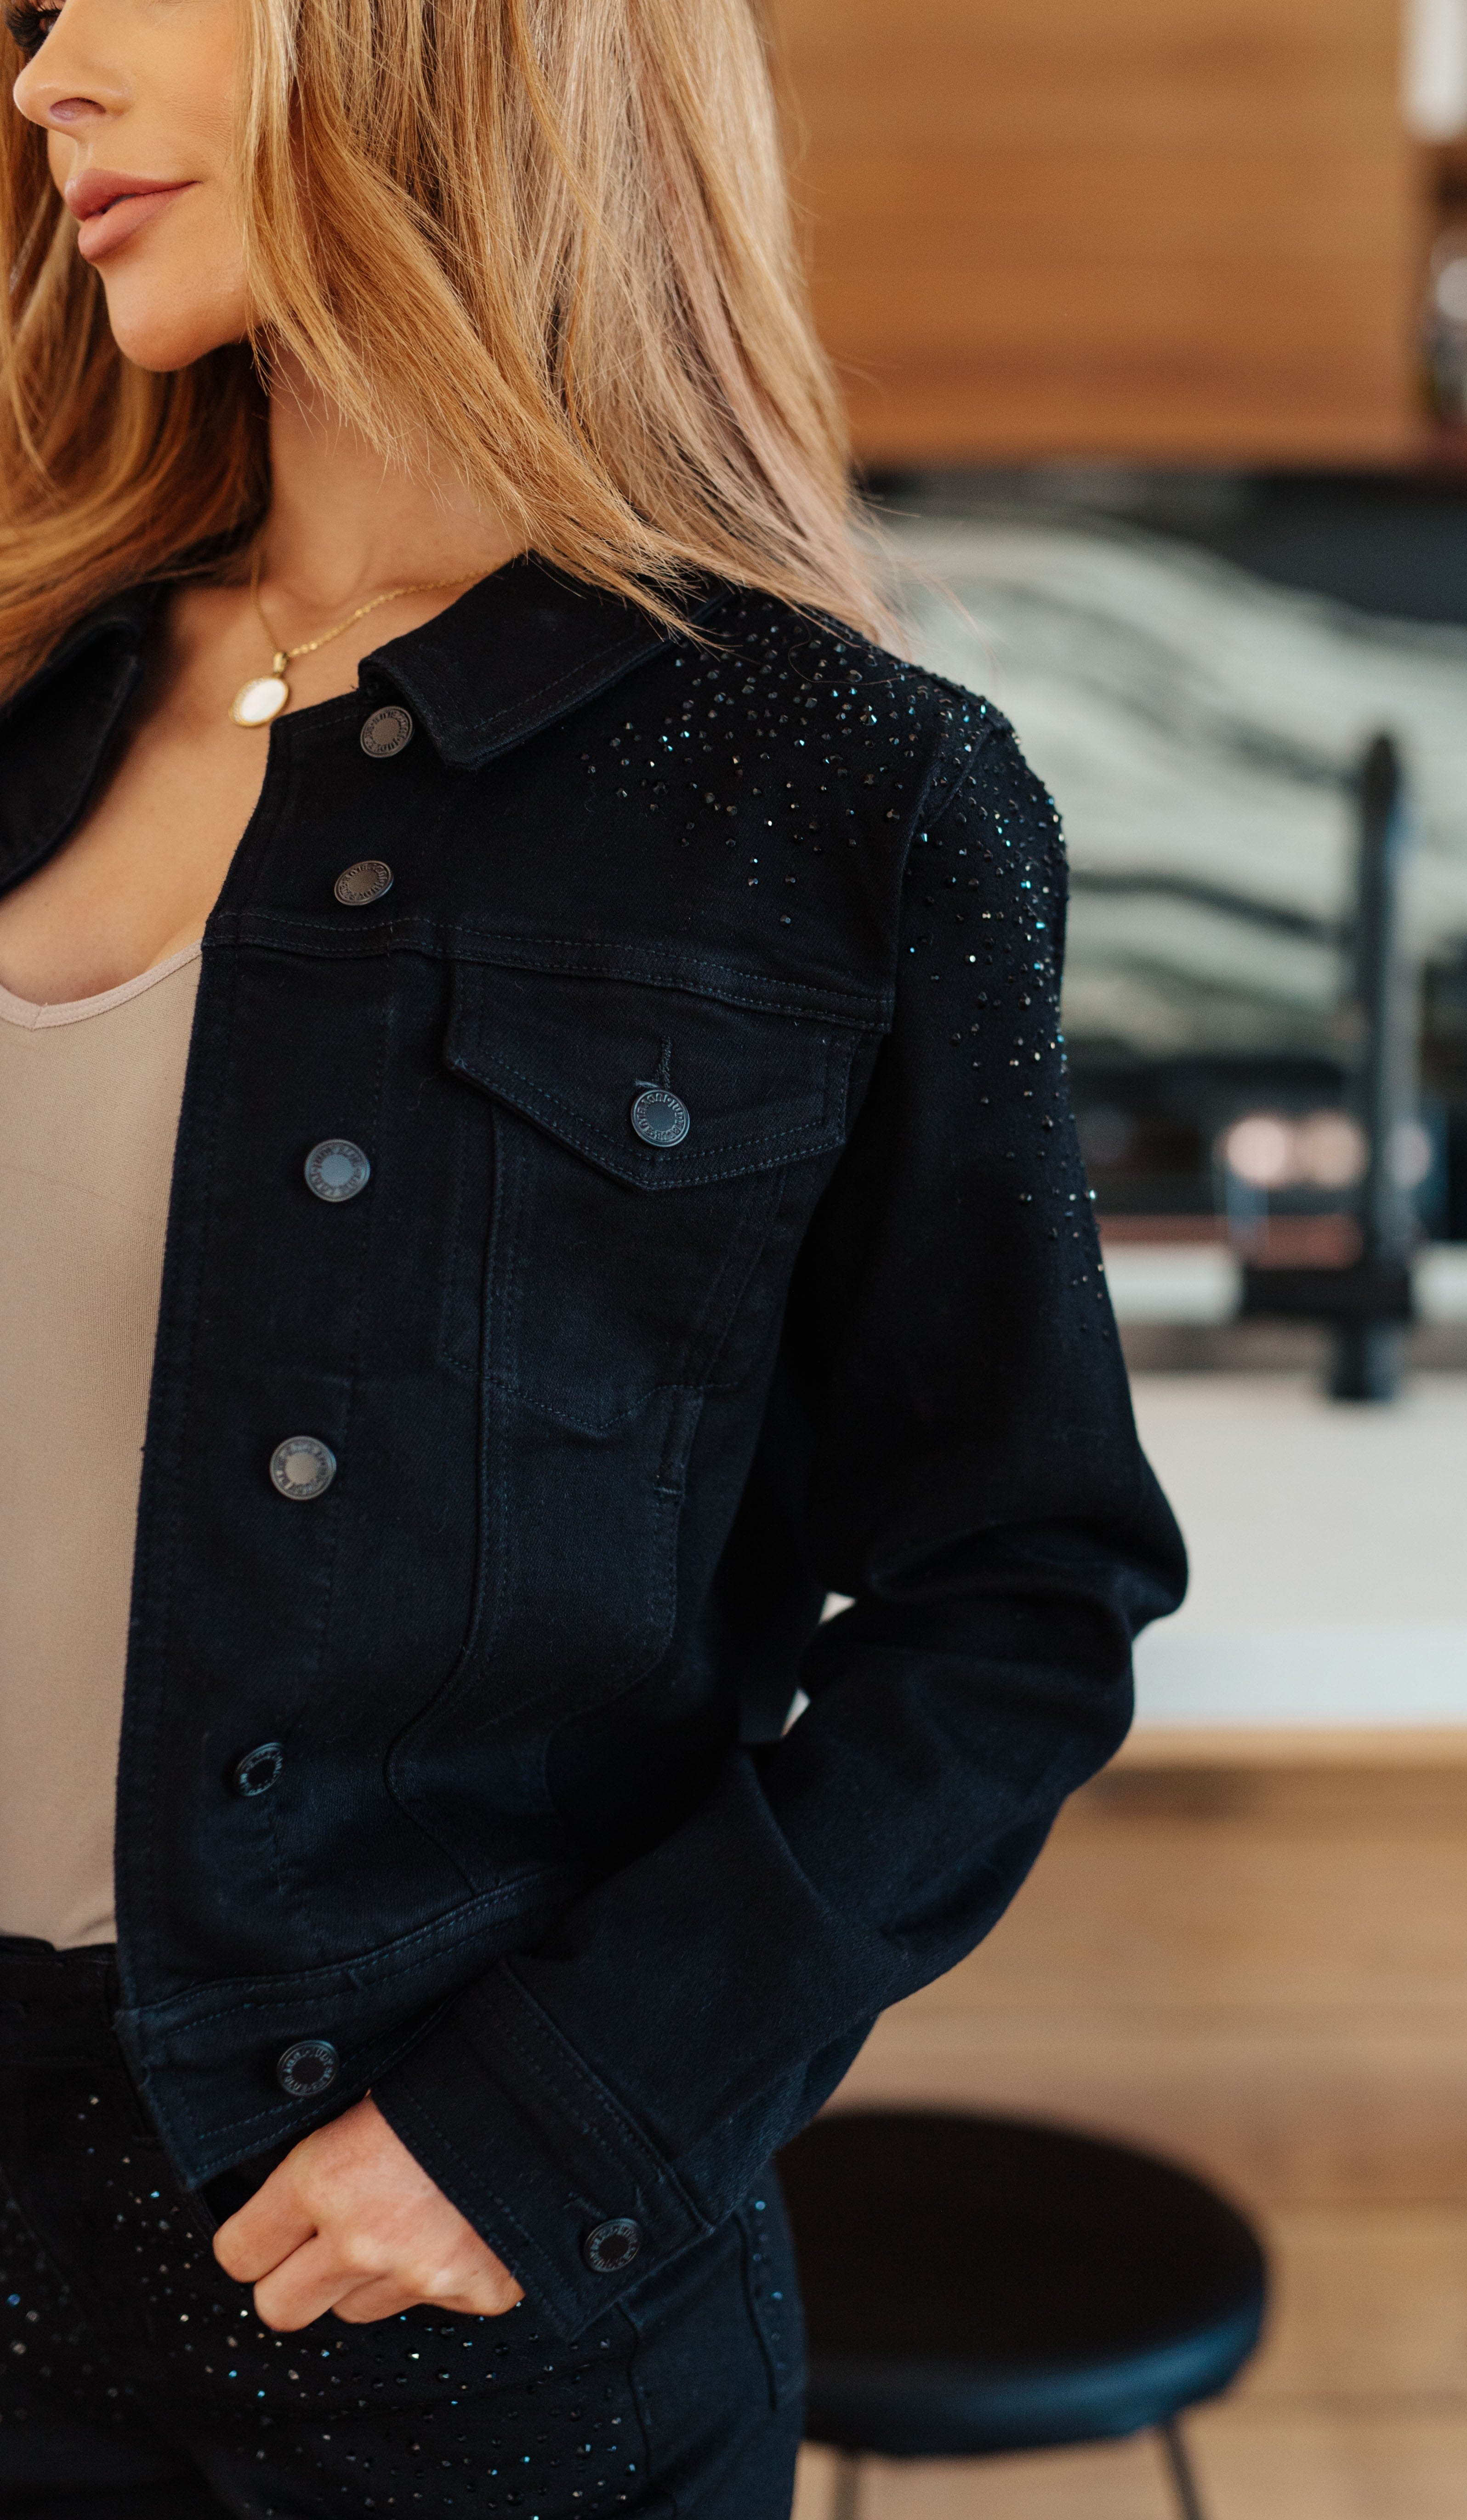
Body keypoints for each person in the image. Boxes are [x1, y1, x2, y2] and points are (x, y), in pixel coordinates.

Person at [0, 0, 1186, 2508]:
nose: (48, 79)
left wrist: (569, 2116)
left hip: (438, 2334)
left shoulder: (842, 800)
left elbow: (1018, 1597)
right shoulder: (31, 688)